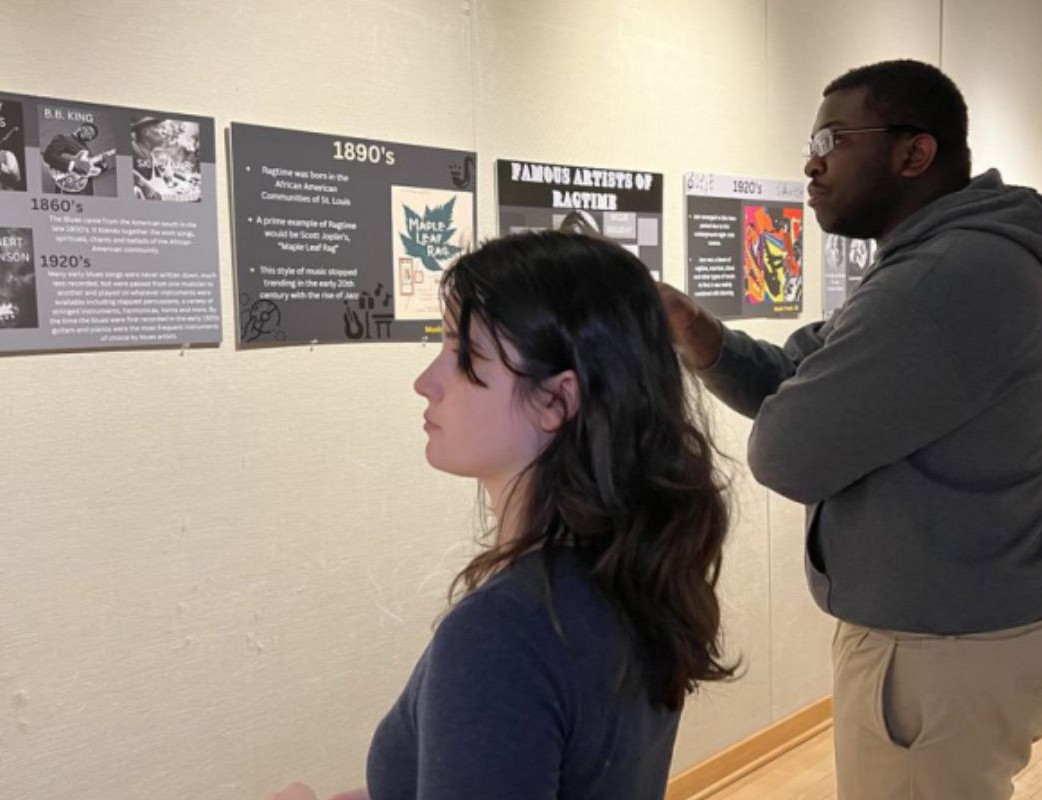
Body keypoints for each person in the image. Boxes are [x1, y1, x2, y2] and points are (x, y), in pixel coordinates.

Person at [660, 59, 1042, 799]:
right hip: (976, 636)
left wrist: (794, 400)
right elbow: (803, 372)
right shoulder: (941, 263)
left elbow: (786, 452)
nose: (811, 161)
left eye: (833, 137)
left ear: (913, 153)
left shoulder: (939, 278)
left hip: (940, 656)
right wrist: (700, 334)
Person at [269, 231, 736, 800]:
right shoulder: (631, 576)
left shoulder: (504, 635)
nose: (426, 384)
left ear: (554, 401)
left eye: (462, 355)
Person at [42, 122, 110, 195]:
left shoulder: (88, 152)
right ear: (81, 128)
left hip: (86, 191)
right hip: (67, 185)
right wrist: (74, 166)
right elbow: (49, 156)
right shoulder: (63, 138)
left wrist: (103, 166)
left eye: (92, 136)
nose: (90, 136)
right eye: (89, 131)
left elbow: (90, 171)